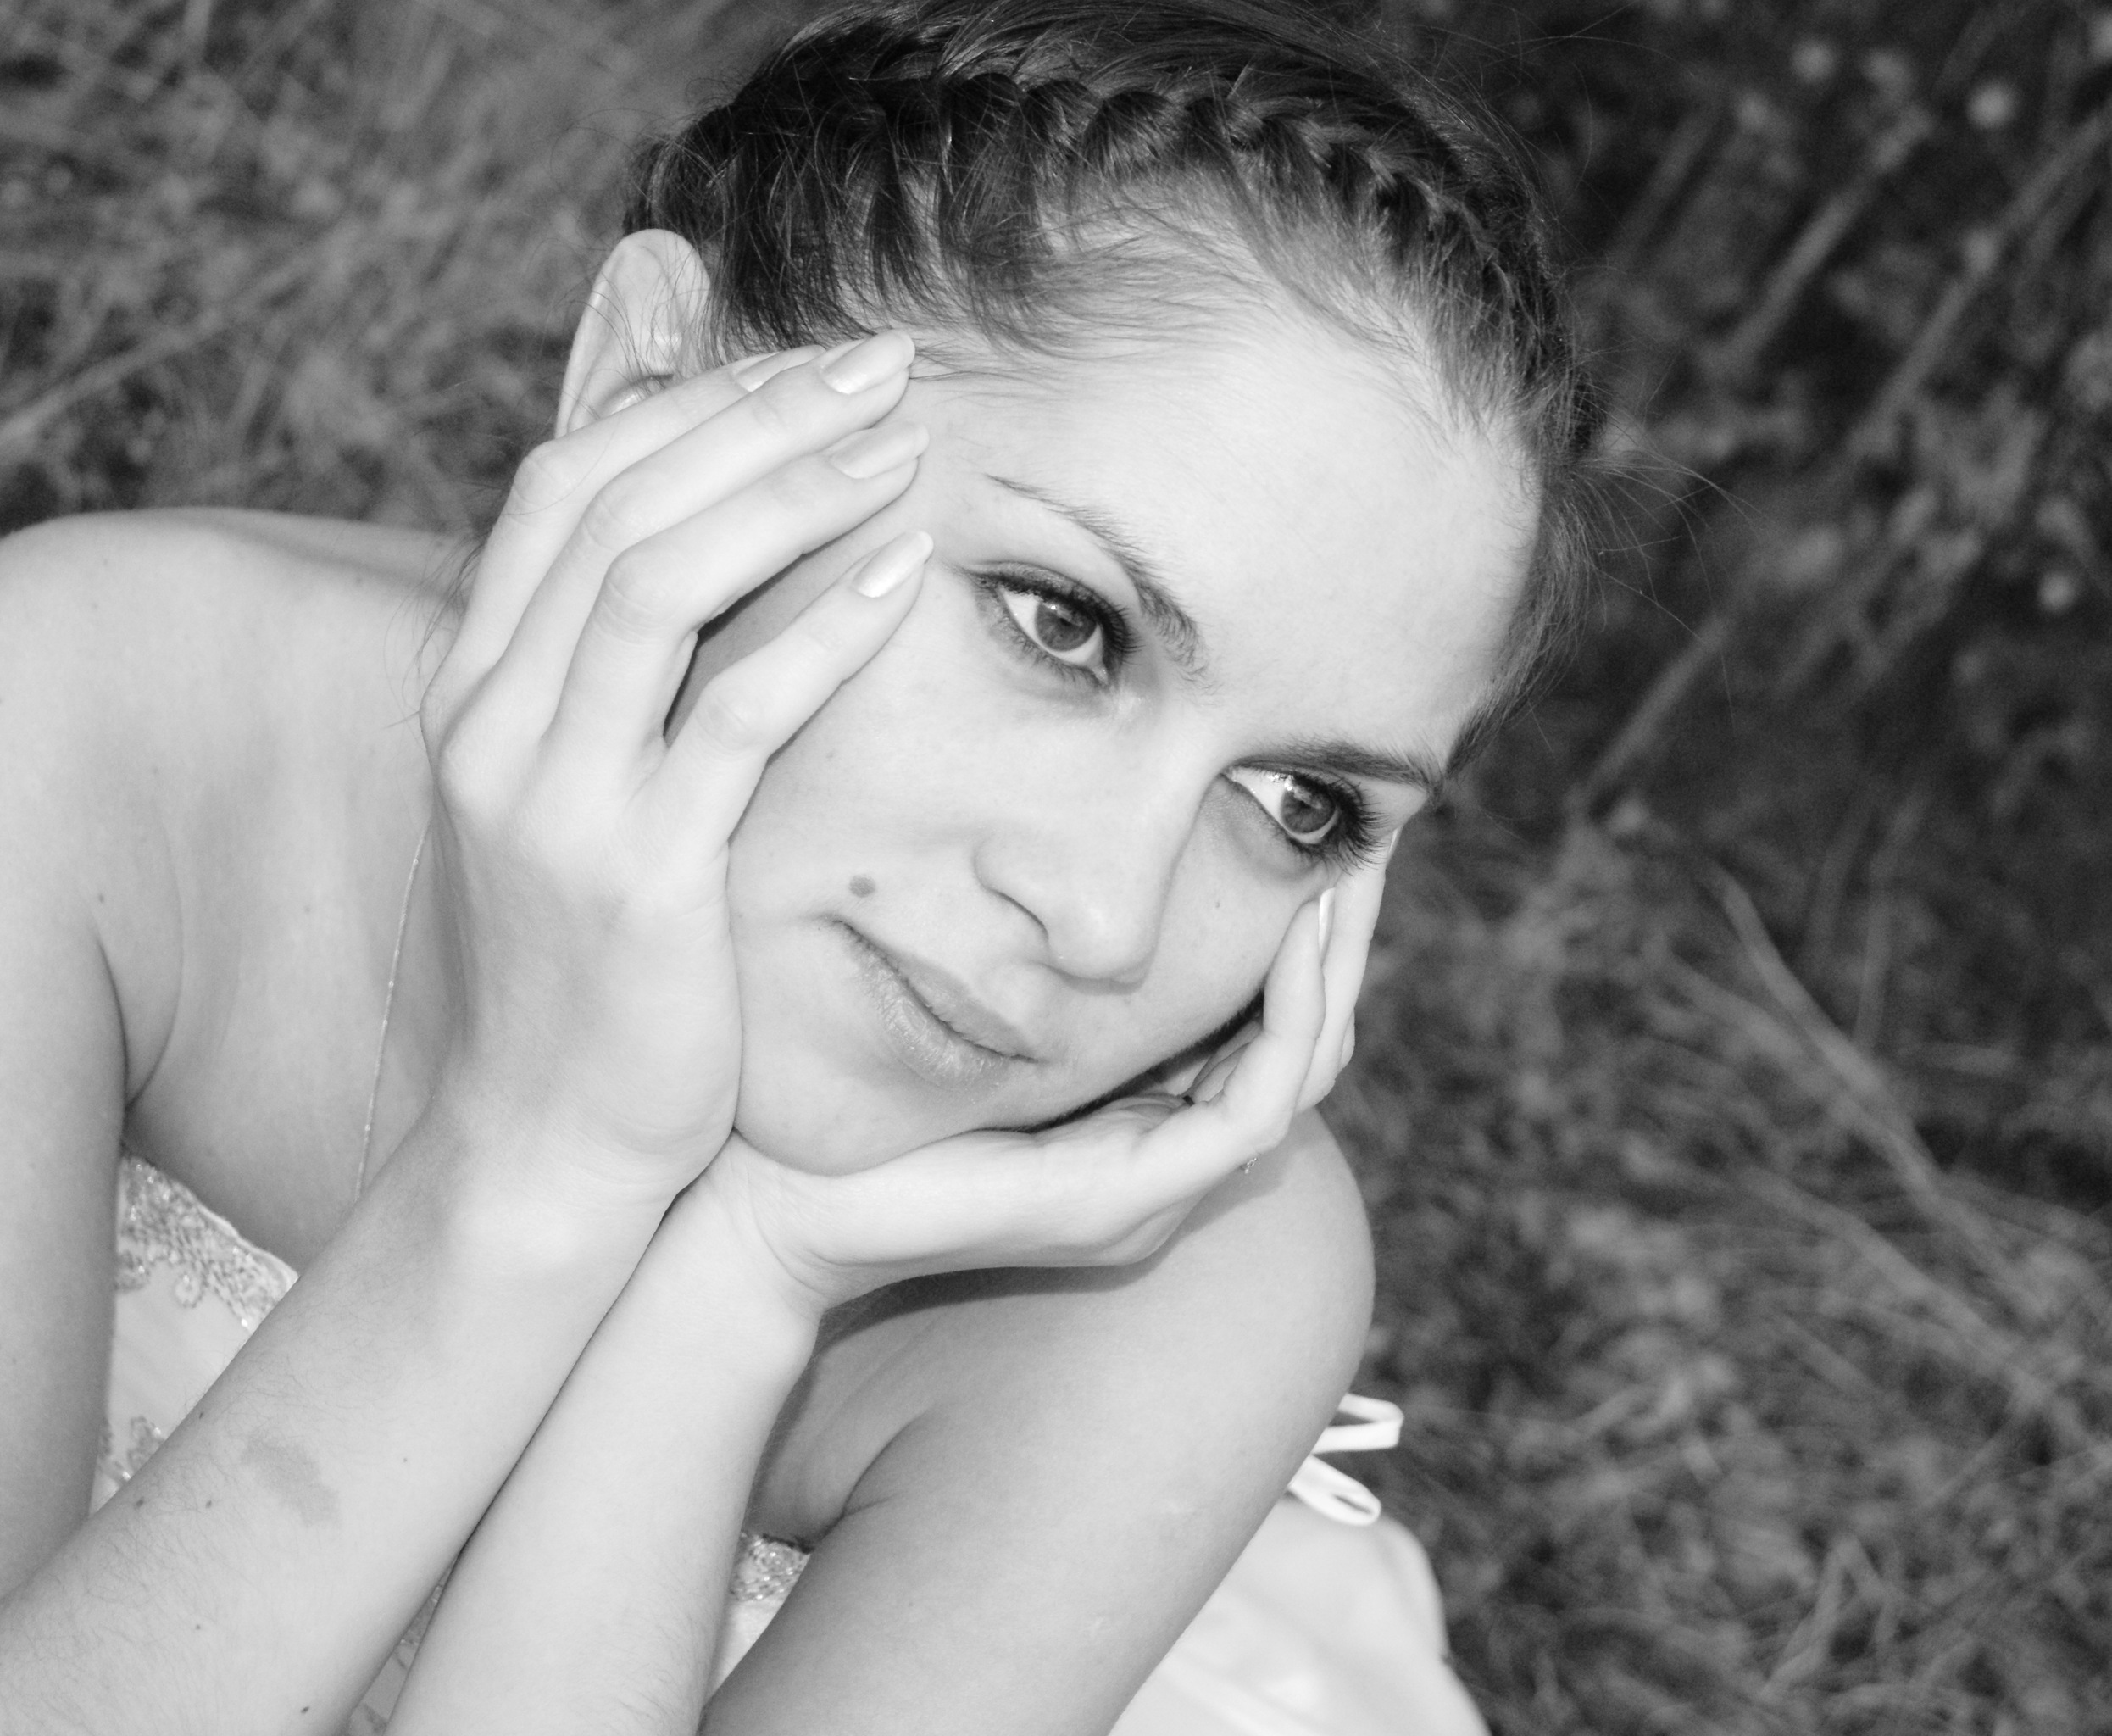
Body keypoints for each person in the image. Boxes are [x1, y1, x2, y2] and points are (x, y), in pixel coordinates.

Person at [0, 1, 1603, 1730]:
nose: (1105, 919)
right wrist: (536, 1172)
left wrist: (738, 1290)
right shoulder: (101, 728)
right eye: (1063, 624)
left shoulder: (1201, 1264)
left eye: (1300, 804)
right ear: (649, 387)